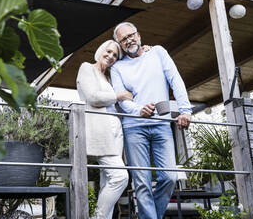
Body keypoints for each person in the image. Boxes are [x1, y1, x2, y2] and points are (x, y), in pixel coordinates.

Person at [110, 22, 192, 219]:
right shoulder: (117, 68)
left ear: (138, 35)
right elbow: (122, 100)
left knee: (170, 177)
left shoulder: (158, 53)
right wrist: (140, 110)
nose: (129, 40)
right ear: (119, 44)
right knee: (142, 182)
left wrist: (185, 110)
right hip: (133, 127)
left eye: (131, 35)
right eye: (123, 39)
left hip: (161, 124)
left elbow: (175, 79)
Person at [76, 40, 131, 219]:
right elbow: (93, 97)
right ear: (101, 51)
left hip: (116, 131)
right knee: (120, 177)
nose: (111, 56)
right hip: (100, 131)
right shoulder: (87, 68)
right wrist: (118, 95)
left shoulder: (109, 77)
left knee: (107, 181)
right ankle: (98, 217)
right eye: (108, 52)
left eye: (115, 55)